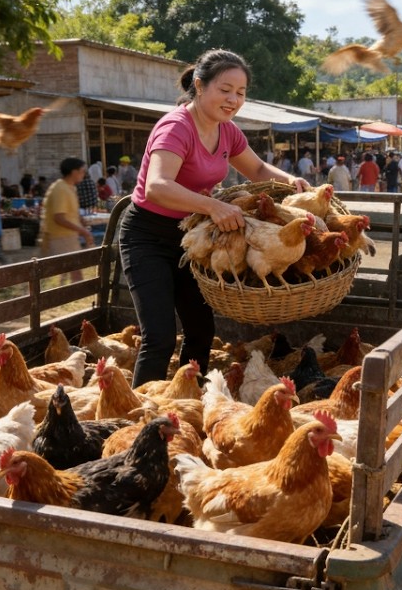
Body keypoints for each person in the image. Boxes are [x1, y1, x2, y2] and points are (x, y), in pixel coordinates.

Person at [117, 49, 309, 387]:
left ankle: (191, 403)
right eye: (225, 89)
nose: (233, 99)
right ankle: (138, 419)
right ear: (199, 85)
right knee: (159, 337)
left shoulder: (228, 131)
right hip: (148, 235)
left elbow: (258, 169)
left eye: (241, 92)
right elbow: (156, 187)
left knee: (201, 330)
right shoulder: (176, 127)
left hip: (193, 238)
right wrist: (214, 207)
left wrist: (290, 181)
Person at [40, 157, 96, 283]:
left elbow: (69, 212)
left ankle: (71, 297)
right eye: (82, 171)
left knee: (70, 273)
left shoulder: (69, 188)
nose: (83, 174)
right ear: (73, 172)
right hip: (61, 237)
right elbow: (59, 217)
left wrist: (81, 220)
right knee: (69, 274)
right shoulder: (60, 189)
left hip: (68, 236)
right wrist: (83, 231)